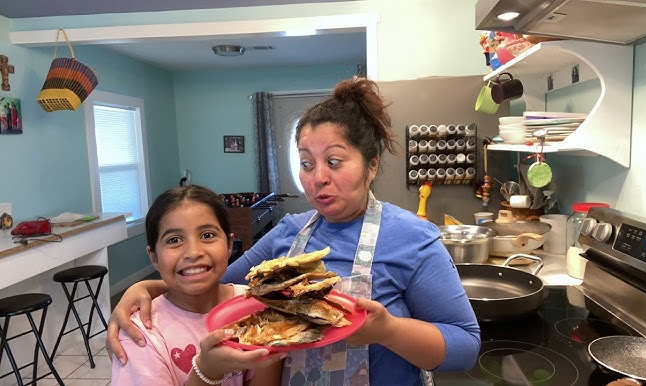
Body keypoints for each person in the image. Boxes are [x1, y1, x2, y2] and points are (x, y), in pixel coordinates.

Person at [107, 77, 481, 386]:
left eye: (334, 161)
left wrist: (388, 331)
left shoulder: (413, 237)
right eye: (306, 163)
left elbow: (465, 346)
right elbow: (220, 288)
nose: (318, 178)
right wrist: (145, 288)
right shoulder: (287, 233)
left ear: (371, 165)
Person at [111, 185, 284, 386]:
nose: (193, 252)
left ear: (229, 245)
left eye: (207, 235)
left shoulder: (258, 308)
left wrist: (273, 338)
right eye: (174, 240)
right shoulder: (140, 332)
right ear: (154, 257)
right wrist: (207, 373)